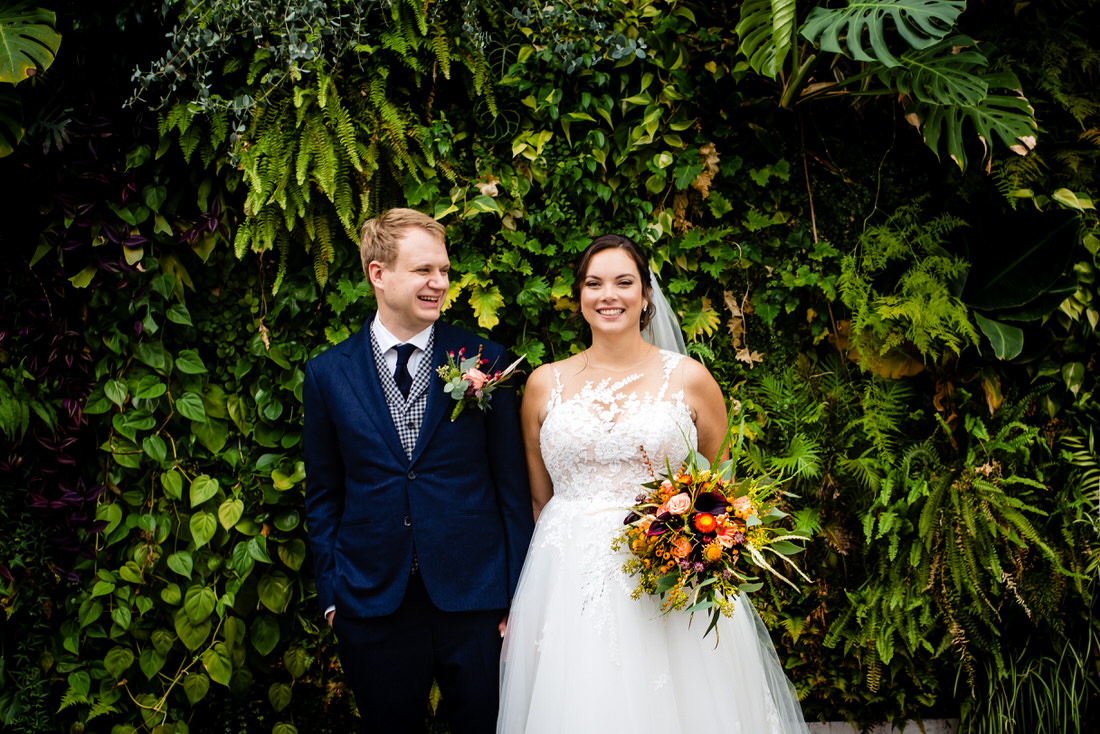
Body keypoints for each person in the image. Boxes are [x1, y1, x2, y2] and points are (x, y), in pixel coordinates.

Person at [497, 234, 810, 733]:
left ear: (646, 296)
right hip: (566, 583)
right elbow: (539, 499)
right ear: (579, 296)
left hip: (667, 582)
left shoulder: (689, 379)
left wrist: (693, 547)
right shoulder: (543, 384)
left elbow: (718, 490)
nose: (609, 295)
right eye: (594, 283)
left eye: (624, 282)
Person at [303, 208, 534, 734]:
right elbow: (324, 495)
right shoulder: (326, 374)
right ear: (378, 274)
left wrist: (518, 595)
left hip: (475, 598)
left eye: (445, 271)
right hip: (371, 600)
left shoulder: (486, 359)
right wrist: (334, 596)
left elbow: (511, 489)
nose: (439, 284)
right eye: (423, 270)